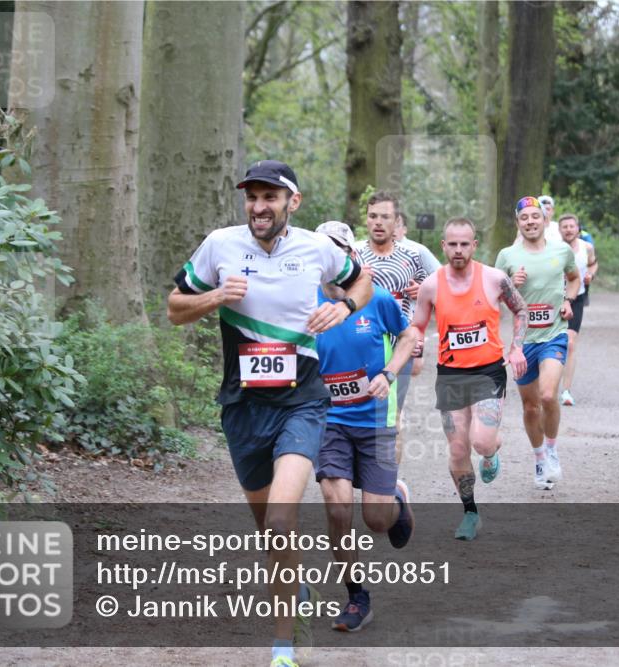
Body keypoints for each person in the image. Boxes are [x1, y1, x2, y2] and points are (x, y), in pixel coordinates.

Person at [167, 160, 372, 667]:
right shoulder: (220, 244)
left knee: (282, 519)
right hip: (242, 407)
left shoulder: (317, 248)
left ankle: (284, 645)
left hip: (301, 403)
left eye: (270, 197)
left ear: (292, 202)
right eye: (252, 197)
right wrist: (216, 296)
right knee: (268, 529)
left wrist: (344, 307)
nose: (259, 207)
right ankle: (294, 586)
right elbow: (174, 307)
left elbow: (361, 280)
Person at [313, 220, 418, 633]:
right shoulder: (304, 301)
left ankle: (397, 500)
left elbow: (408, 337)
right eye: (321, 252)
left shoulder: (377, 298)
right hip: (329, 421)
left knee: (376, 519)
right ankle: (356, 596)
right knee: (337, 507)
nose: (328, 259)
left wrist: (389, 373)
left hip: (375, 419)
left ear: (350, 256)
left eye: (336, 251)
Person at [410, 217, 528, 541]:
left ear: (474, 245)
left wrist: (517, 347)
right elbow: (418, 324)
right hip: (450, 376)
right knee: (459, 449)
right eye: (453, 244)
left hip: (488, 372)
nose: (459, 250)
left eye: (465, 244)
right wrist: (416, 342)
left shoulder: (494, 279)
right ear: (443, 246)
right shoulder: (431, 285)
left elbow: (521, 310)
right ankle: (470, 513)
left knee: (481, 441)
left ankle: (491, 452)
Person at [496, 197, 580, 489]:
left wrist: (568, 300)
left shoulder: (562, 250)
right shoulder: (507, 256)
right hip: (523, 342)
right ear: (517, 222)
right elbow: (494, 297)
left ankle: (553, 450)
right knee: (531, 407)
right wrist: (512, 285)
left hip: (554, 335)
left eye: (535, 216)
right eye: (524, 218)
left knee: (547, 395)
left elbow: (574, 278)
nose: (530, 222)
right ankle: (540, 457)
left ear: (544, 220)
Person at [353, 192, 428, 462]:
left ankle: (389, 480)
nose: (378, 222)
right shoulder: (354, 255)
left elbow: (429, 299)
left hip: (399, 349)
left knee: (392, 418)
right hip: (359, 347)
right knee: (355, 416)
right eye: (373, 216)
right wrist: (355, 281)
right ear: (366, 219)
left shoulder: (412, 256)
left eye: (385, 217)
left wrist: (422, 291)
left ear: (396, 221)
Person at [393, 211, 441, 380]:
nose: (393, 229)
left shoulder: (418, 251)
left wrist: (422, 290)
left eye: (397, 225)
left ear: (405, 229)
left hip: (411, 322)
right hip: (379, 323)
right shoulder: (369, 252)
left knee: (412, 369)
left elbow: (444, 279)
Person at [557, 214, 598, 407]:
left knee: (571, 343)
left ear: (578, 229)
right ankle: (547, 384)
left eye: (571, 226)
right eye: (564, 227)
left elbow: (593, 263)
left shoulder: (586, 247)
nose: (568, 230)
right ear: (559, 230)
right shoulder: (552, 248)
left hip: (576, 298)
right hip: (553, 299)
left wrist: (590, 274)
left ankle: (566, 391)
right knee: (551, 343)